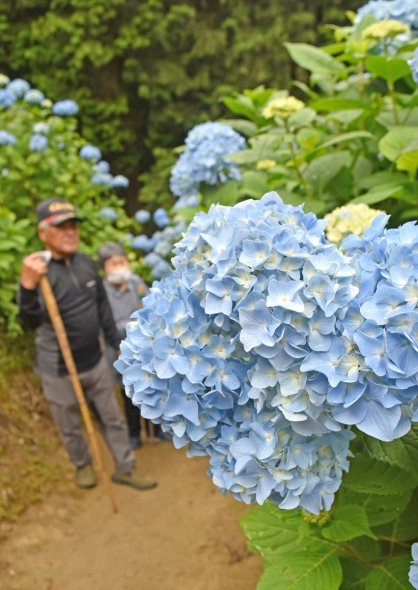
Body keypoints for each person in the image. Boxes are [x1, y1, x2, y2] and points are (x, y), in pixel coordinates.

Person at [18, 198, 157, 491]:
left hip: (93, 361)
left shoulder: (85, 264)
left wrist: (115, 343)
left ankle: (125, 467)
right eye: (60, 227)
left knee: (112, 418)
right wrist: (27, 288)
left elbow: (103, 308)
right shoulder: (40, 271)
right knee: (69, 424)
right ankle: (82, 464)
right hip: (57, 367)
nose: (70, 232)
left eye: (73, 225)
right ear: (43, 232)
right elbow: (28, 322)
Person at [98, 242, 148, 448]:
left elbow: (149, 304)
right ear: (104, 268)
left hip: (143, 346)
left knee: (151, 386)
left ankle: (159, 430)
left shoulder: (136, 282)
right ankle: (135, 434)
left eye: (122, 261)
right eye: (113, 263)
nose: (119, 267)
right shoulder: (101, 291)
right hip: (117, 347)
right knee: (128, 391)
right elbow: (102, 322)